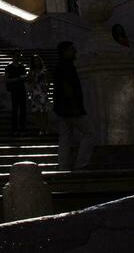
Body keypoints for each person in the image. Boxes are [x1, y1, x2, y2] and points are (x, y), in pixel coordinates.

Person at [52, 41, 92, 170]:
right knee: (89, 132)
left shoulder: (60, 66)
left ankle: (63, 165)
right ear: (65, 52)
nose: (75, 51)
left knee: (65, 137)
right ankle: (82, 163)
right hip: (71, 108)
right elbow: (67, 87)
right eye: (72, 49)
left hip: (62, 108)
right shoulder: (67, 66)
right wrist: (75, 105)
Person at [3, 54, 31, 134]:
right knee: (15, 110)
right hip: (14, 90)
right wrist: (17, 79)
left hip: (22, 89)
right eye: (15, 56)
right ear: (13, 57)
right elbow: (7, 79)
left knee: (23, 109)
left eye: (18, 56)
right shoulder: (9, 67)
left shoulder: (22, 67)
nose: (17, 57)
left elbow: (24, 78)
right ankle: (14, 128)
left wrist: (25, 78)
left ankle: (22, 128)